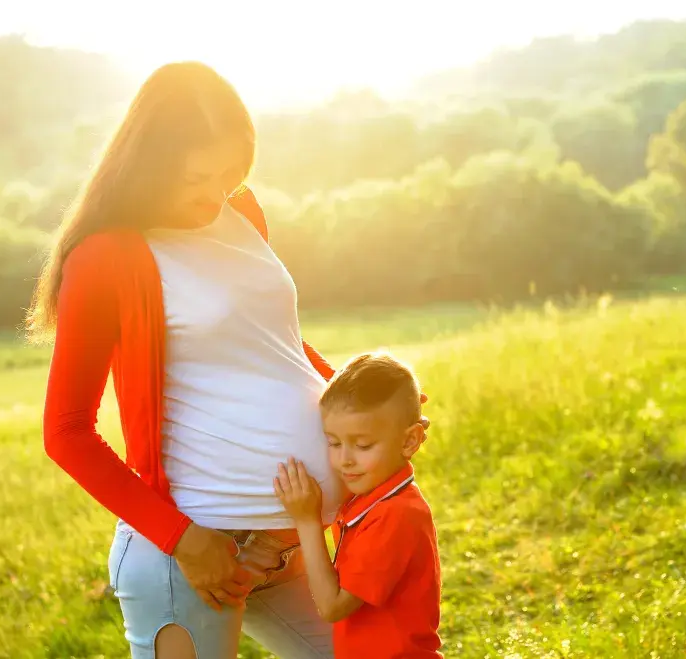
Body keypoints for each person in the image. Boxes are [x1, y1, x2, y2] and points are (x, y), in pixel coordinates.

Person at [29, 61, 426, 659]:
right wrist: (185, 540)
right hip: (192, 556)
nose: (215, 193)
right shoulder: (105, 259)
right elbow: (66, 433)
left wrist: (369, 398)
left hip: (286, 547)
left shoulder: (242, 212)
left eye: (231, 173)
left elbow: (269, 342)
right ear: (150, 160)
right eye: (198, 176)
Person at [274, 353, 443, 658]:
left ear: (409, 441)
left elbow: (332, 606)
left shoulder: (396, 514)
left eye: (363, 445)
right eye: (333, 442)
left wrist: (307, 522)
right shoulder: (371, 498)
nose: (345, 459)